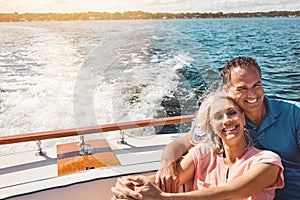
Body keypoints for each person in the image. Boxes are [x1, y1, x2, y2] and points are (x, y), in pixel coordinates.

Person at [156, 56, 300, 199]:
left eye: (256, 85)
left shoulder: (293, 114)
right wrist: (166, 165)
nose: (252, 94)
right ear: (227, 90)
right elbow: (179, 144)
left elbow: (233, 191)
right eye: (242, 88)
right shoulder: (229, 125)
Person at [111, 90, 284, 200]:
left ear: (243, 118)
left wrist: (163, 199)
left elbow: (232, 192)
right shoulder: (203, 153)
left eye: (232, 113)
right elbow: (169, 179)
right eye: (218, 117)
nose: (227, 121)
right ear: (211, 126)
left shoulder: (267, 161)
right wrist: (130, 186)